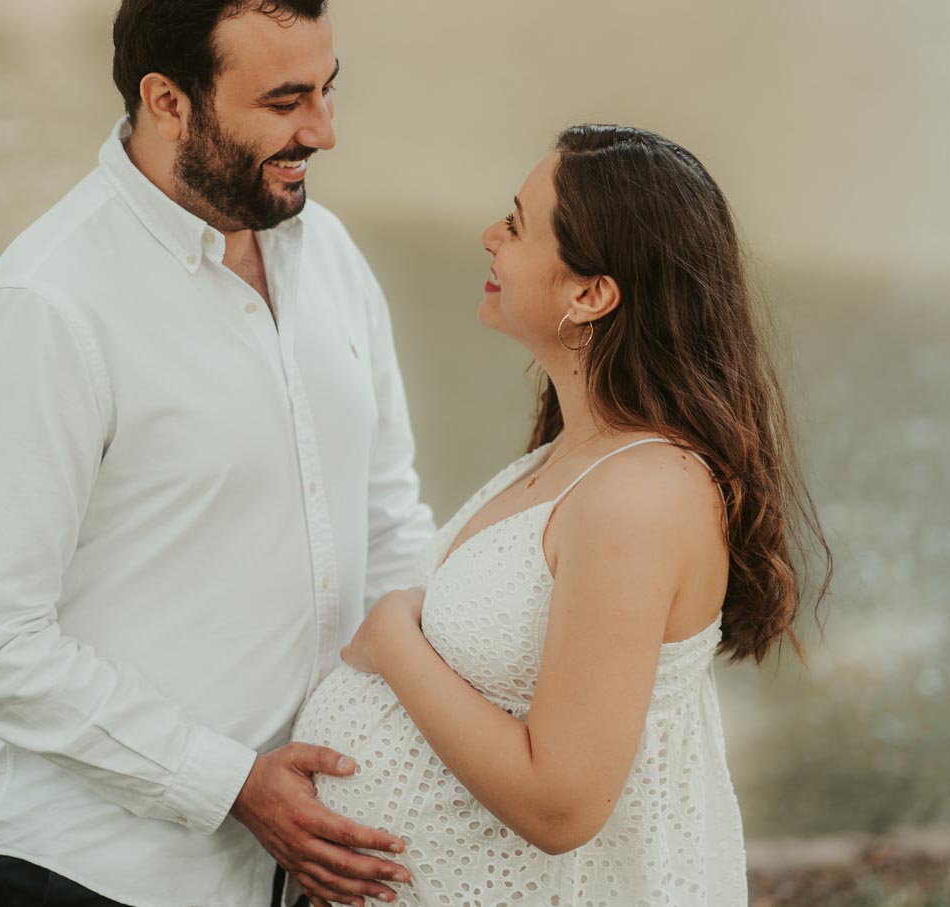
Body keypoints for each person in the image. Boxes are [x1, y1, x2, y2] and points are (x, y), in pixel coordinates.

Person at [0, 0, 436, 907]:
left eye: (328, 88)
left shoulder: (324, 253)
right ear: (166, 99)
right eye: (284, 101)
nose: (323, 129)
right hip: (93, 868)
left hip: (295, 861)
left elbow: (388, 520)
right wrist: (234, 782)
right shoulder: (47, 307)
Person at [290, 124, 833, 906]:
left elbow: (562, 801)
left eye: (515, 223)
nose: (489, 236)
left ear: (590, 293)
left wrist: (392, 640)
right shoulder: (571, 457)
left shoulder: (641, 494)